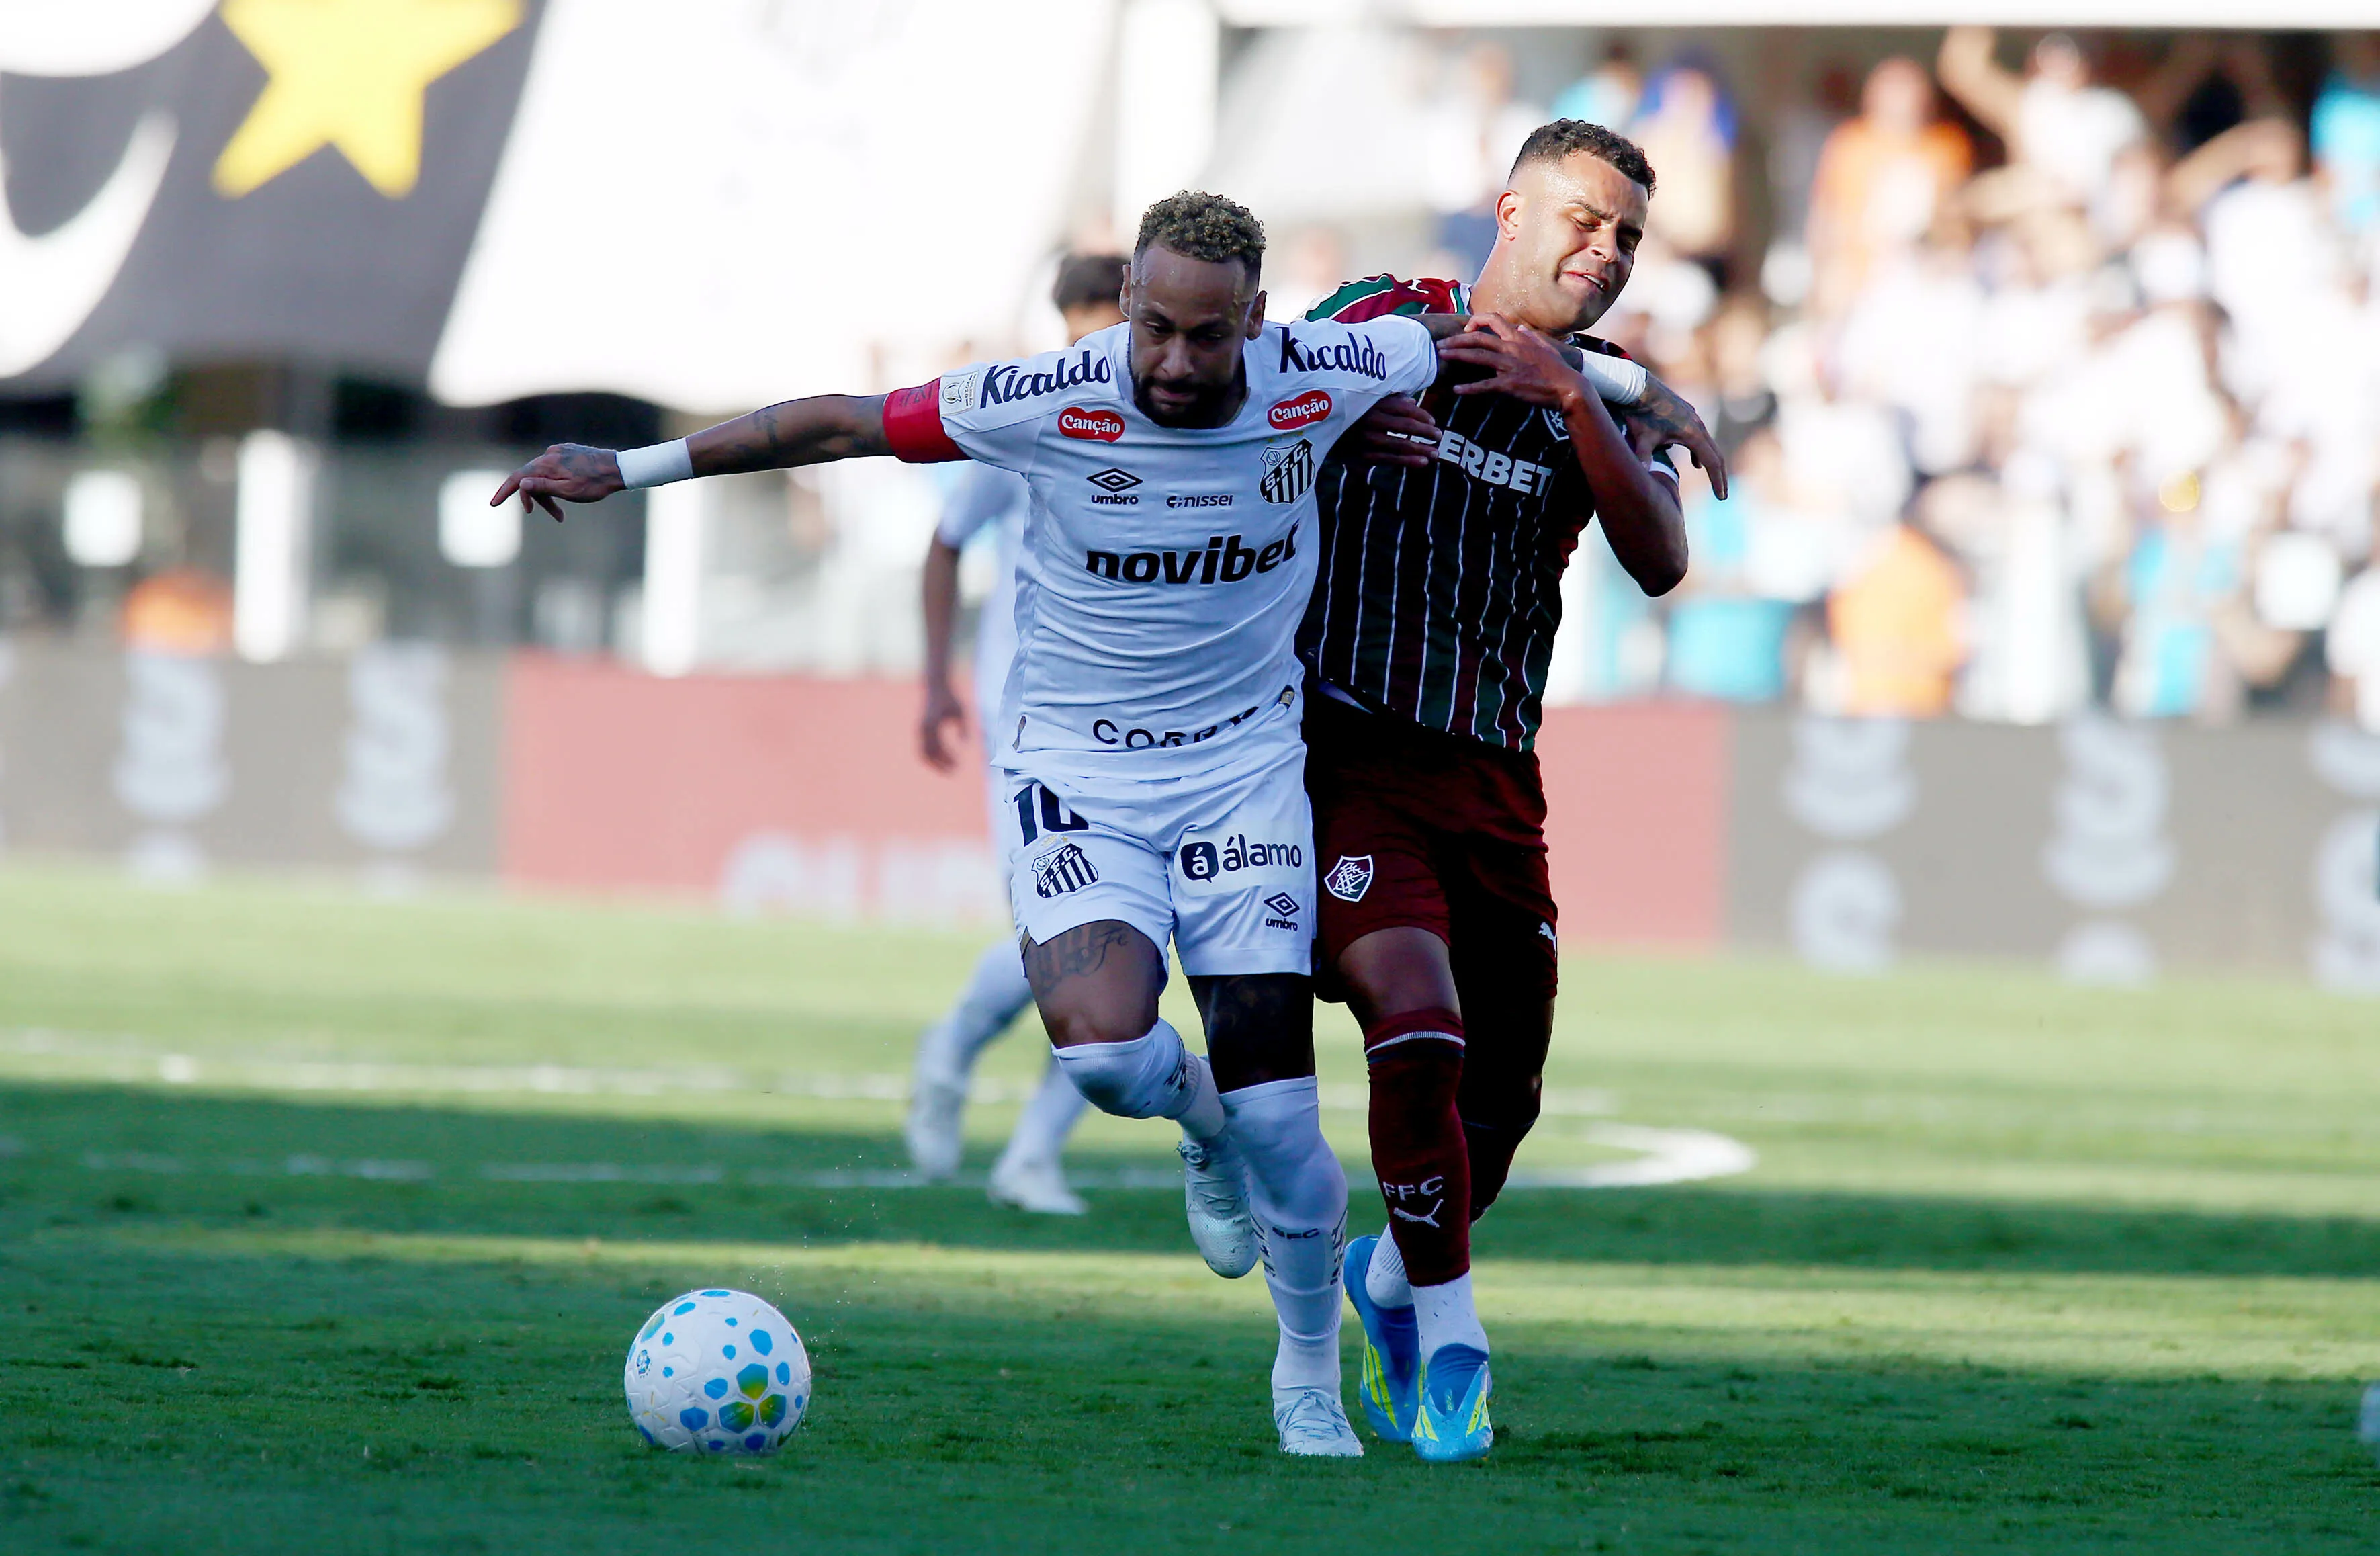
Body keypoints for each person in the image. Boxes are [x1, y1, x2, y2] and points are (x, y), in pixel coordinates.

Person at [491, 191, 1646, 1456]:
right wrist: (629, 466)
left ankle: (1304, 1379)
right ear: (1130, 310)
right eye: (1154, 329)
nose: (1173, 362)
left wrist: (1647, 399)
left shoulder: (1328, 366)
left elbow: (1506, 340)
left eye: (1208, 338)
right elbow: (839, 425)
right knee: (1104, 1057)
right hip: (1079, 776)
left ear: (1256, 324)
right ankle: (1194, 1124)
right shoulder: (1044, 396)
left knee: (1288, 1128)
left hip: (1245, 774)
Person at [1298, 119, 1716, 1463]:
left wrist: (1587, 395)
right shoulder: (1378, 320)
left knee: (1501, 1105)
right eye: (1585, 221)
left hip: (1493, 783)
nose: (1605, 252)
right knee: (1413, 1027)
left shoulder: (1595, 400)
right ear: (1510, 212)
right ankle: (1457, 1355)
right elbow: (1263, 393)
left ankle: (1389, 1283)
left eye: (1628, 239)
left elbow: (1659, 559)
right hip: (1346, 759)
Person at [905, 254, 1129, 1216]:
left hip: (1149, 728)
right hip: (1030, 721)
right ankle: (952, 1047)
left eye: (1107, 321)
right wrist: (933, 680)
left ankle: (1031, 1152)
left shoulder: (1178, 420)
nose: (1093, 340)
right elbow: (948, 540)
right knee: (1062, 933)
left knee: (1134, 947)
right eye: (1079, 321)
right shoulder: (1033, 422)